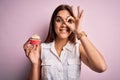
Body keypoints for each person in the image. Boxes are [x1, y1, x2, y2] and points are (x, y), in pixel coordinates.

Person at [23, 4, 107, 80]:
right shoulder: (41, 49)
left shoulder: (78, 48)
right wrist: (34, 63)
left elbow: (101, 67)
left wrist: (79, 32)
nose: (64, 24)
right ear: (53, 24)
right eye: (59, 20)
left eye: (69, 21)